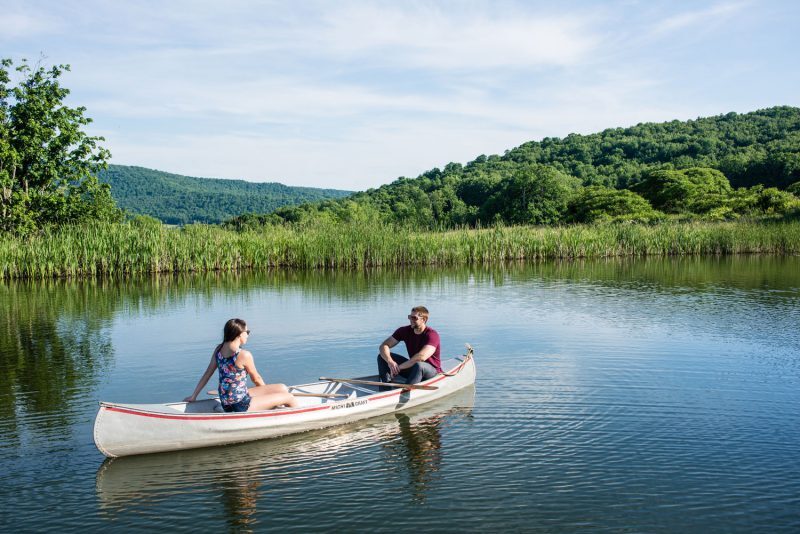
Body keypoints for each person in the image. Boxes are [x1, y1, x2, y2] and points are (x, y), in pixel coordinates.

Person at [184, 318, 298, 411]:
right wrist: (269, 399)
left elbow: (207, 373)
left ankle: (270, 403)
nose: (248, 335)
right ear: (239, 334)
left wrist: (194, 396)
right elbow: (257, 379)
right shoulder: (244, 355)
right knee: (289, 397)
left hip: (226, 402)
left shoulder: (218, 350)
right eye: (247, 332)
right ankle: (299, 419)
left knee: (282, 388)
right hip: (241, 405)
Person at [378, 306, 442, 386]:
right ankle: (386, 387)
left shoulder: (432, 335)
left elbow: (421, 357)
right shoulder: (404, 331)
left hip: (431, 373)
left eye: (414, 318)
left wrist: (399, 367)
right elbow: (384, 345)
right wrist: (390, 362)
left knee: (419, 365)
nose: (411, 320)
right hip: (414, 368)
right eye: (410, 317)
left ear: (424, 319)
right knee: (382, 357)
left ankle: (405, 391)